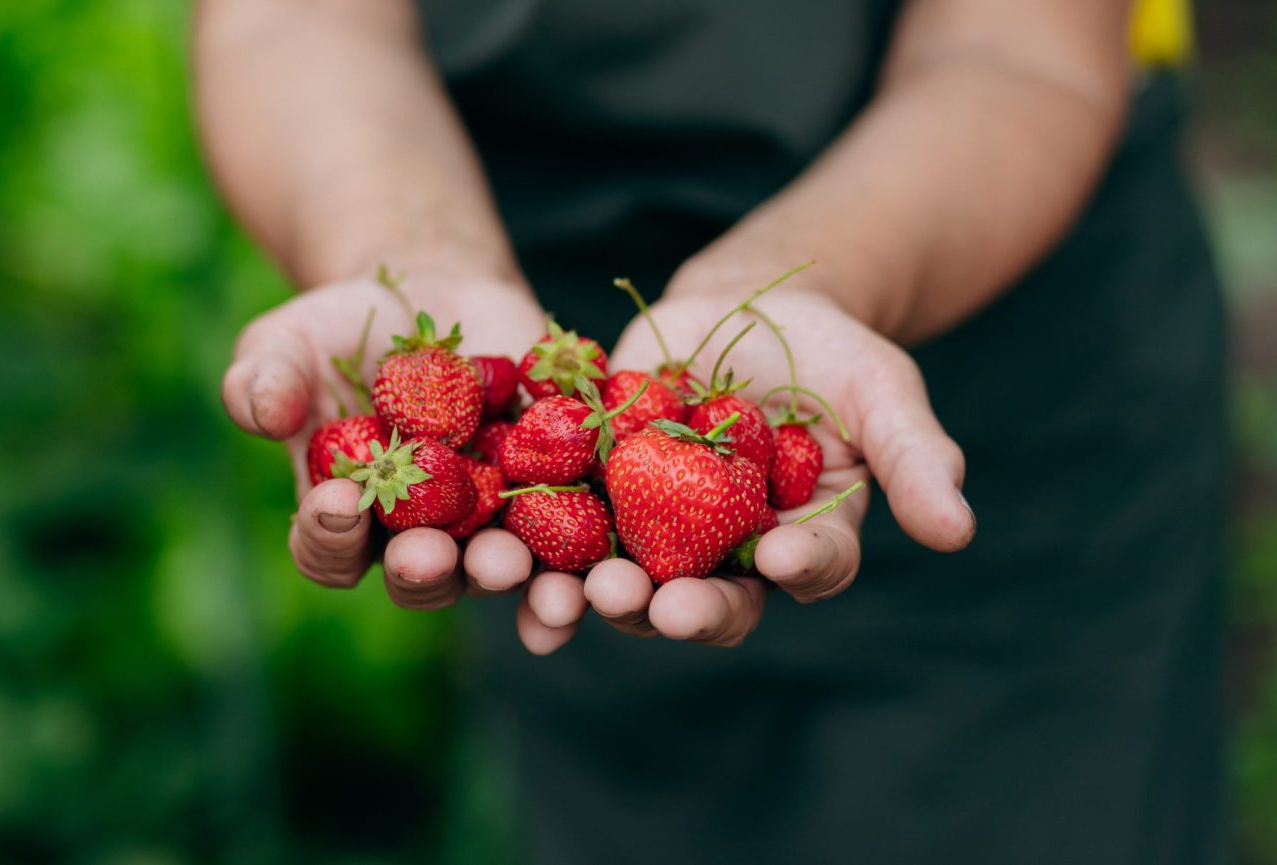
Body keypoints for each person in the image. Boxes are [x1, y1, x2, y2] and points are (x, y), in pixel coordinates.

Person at [195, 0, 1227, 862]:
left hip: (998, 319)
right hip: (522, 298)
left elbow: (1019, 53)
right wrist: (407, 252)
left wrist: (804, 284)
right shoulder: (525, 450)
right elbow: (288, 23)